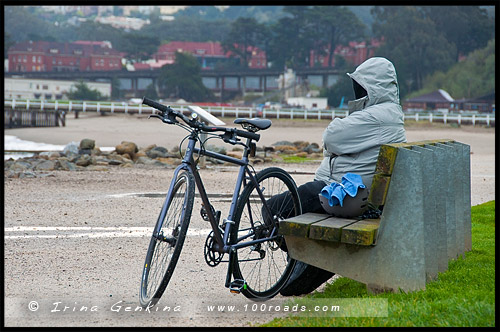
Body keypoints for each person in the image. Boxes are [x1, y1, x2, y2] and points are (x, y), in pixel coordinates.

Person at [277, 57, 407, 296]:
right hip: (350, 194)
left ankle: (308, 258)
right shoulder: (387, 113)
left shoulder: (379, 115)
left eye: (361, 86)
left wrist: (337, 137)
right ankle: (304, 258)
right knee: (287, 205)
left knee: (274, 210)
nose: (357, 91)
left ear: (372, 87)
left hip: (348, 198)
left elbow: (331, 137)